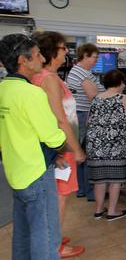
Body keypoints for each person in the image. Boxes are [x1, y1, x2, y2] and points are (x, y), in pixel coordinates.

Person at [0, 34, 77, 259]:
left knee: (23, 232)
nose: (42, 58)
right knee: (46, 235)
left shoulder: (4, 89)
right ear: (23, 60)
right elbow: (51, 136)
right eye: (37, 55)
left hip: (15, 171)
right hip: (36, 172)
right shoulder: (31, 93)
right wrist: (66, 149)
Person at [32, 31, 86, 258]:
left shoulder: (43, 76)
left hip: (53, 149)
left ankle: (52, 236)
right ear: (53, 51)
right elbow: (60, 120)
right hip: (62, 150)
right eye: (64, 48)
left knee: (54, 196)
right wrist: (76, 149)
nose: (67, 52)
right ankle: (54, 245)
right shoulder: (50, 80)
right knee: (59, 198)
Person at [85, 69, 126, 221]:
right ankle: (112, 211)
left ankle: (98, 210)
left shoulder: (96, 98)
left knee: (100, 179)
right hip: (116, 146)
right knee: (115, 179)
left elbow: (88, 122)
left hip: (96, 145)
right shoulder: (123, 98)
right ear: (121, 82)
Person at [66, 43, 105, 201]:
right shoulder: (83, 74)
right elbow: (95, 99)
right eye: (94, 57)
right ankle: (90, 191)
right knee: (88, 155)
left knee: (81, 153)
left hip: (79, 115)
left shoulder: (78, 71)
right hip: (85, 116)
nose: (96, 60)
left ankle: (81, 188)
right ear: (85, 56)